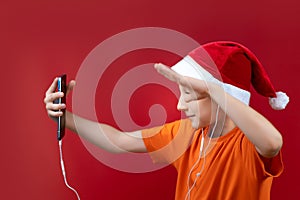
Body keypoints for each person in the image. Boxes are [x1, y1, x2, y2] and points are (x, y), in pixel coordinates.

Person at [44, 41, 289, 199]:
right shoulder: (186, 135)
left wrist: (214, 90)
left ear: (222, 98)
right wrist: (66, 119)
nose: (180, 105)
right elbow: (118, 140)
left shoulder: (247, 144)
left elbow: (272, 142)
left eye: (190, 96)